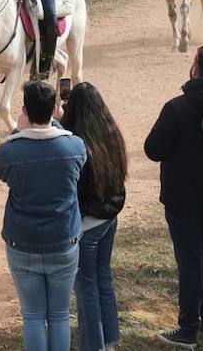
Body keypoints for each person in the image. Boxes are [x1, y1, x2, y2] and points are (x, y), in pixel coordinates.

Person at [145, 45, 203, 347]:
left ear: (195, 70)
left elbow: (153, 149)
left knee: (189, 260)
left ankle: (188, 328)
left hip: (182, 196)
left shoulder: (176, 107)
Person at [0, 80, 87, 351]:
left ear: (23, 110)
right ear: (56, 109)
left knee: (33, 316)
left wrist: (17, 129)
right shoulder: (75, 147)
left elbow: (0, 172)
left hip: (22, 243)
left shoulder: (10, 151)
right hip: (63, 241)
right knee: (59, 315)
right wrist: (54, 122)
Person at [60, 83, 126, 351]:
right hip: (109, 219)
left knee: (86, 288)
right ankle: (110, 340)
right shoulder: (111, 133)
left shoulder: (75, 143)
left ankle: (93, 346)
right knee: (103, 279)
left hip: (87, 225)